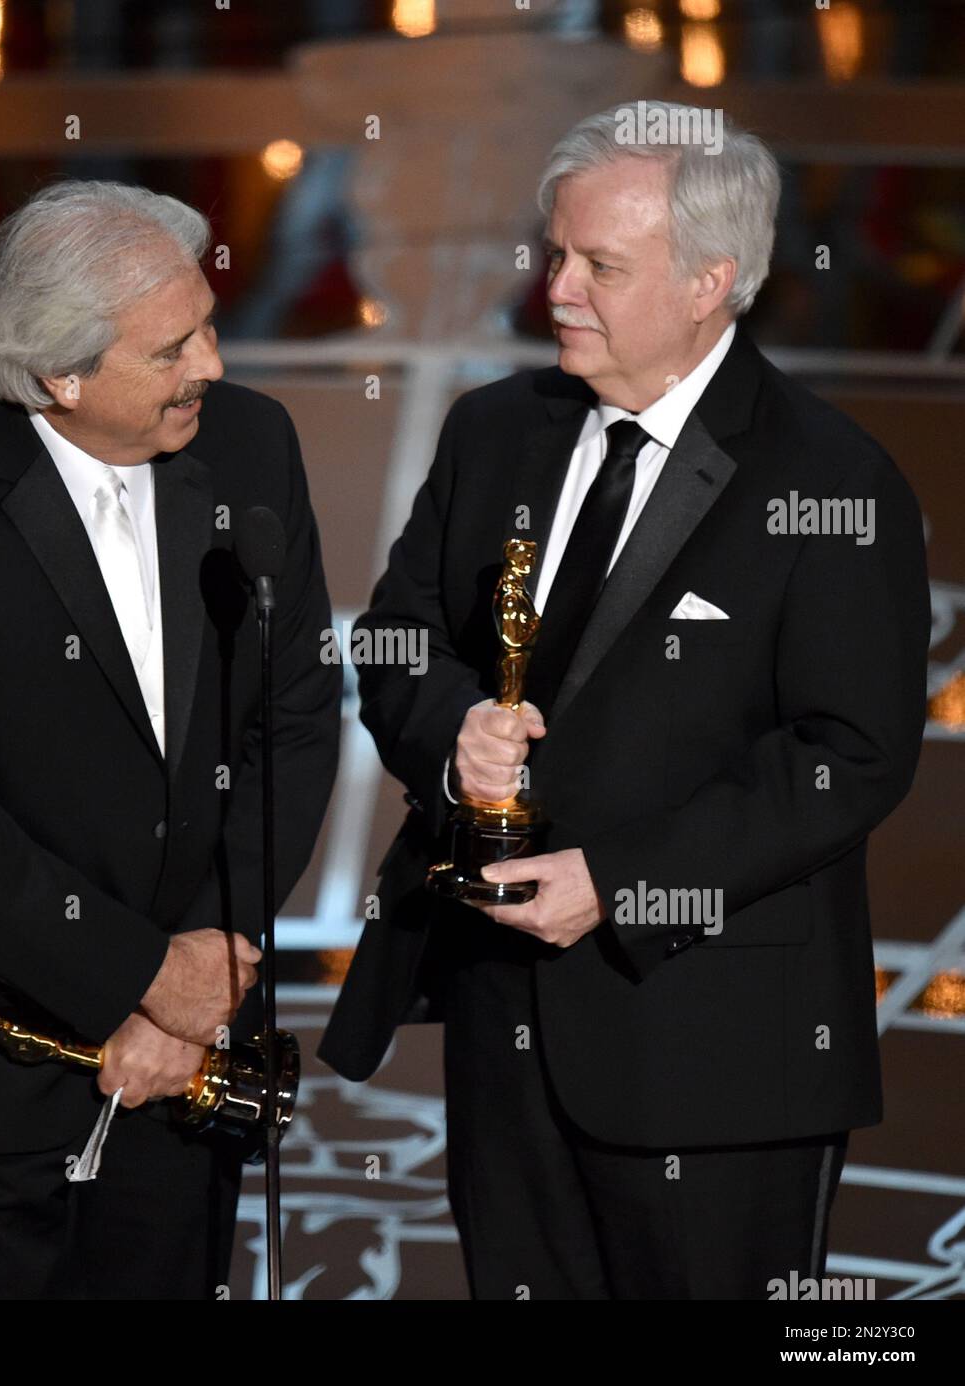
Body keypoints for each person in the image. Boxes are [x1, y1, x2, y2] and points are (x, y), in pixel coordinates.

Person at [319, 102, 929, 1299]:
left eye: (601, 265)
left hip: (716, 1051)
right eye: (556, 254)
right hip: (504, 1030)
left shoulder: (832, 479)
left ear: (713, 281)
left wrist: (618, 880)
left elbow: (850, 754)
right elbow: (396, 636)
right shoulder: (496, 429)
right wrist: (455, 739)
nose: (558, 288)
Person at [0, 180, 341, 1299]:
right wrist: (141, 979)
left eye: (207, 324)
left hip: (196, 1065)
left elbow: (293, 716)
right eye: (173, 348)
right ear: (60, 375)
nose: (214, 366)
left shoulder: (251, 448)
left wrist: (217, 959)